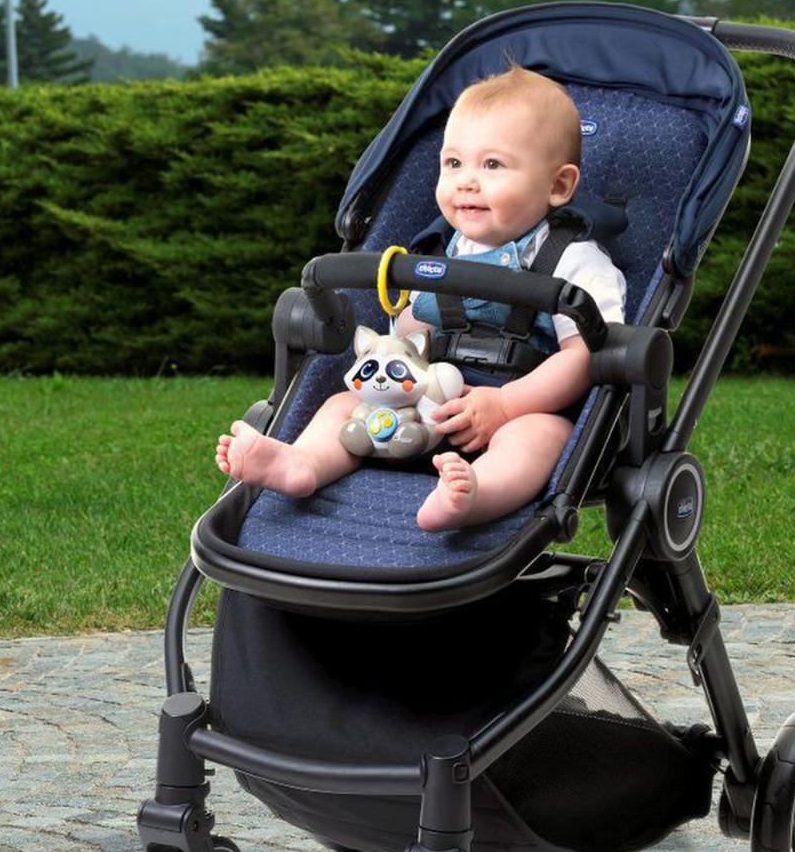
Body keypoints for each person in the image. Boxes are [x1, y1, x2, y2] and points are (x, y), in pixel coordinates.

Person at [216, 64, 626, 531]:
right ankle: (302, 463)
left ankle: (473, 494)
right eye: (453, 164)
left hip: (519, 406)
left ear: (558, 186)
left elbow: (587, 356)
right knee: (343, 407)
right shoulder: (437, 253)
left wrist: (507, 405)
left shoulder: (574, 260)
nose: (466, 181)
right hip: (423, 404)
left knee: (542, 436)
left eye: (492, 165)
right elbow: (413, 332)